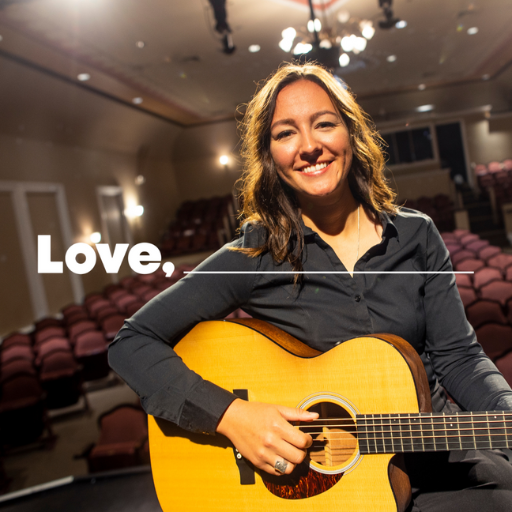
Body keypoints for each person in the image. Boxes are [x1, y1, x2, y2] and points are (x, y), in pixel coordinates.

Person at [109, 62, 512, 511]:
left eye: (324, 124)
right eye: (285, 133)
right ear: (269, 157)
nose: (309, 146)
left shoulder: (417, 236)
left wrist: (506, 409)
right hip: (330, 486)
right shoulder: (255, 255)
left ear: (351, 134)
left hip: (436, 446)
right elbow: (131, 343)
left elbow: (459, 357)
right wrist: (230, 415)